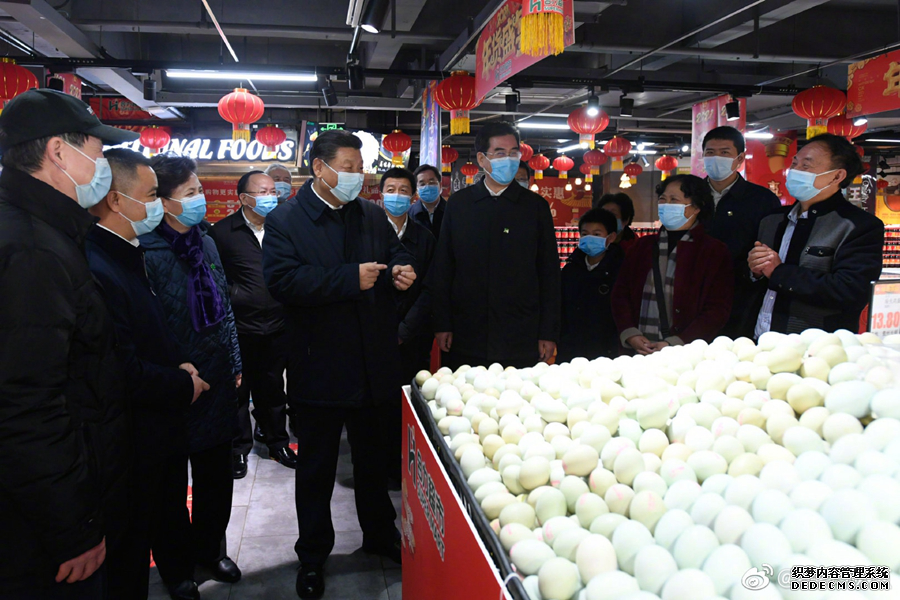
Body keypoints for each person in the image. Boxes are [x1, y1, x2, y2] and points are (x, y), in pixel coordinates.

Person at [262, 131, 417, 599]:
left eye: (360, 165)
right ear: (320, 168)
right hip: (319, 365)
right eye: (348, 165)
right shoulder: (288, 219)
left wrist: (401, 269)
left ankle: (379, 533)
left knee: (373, 461)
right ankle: (312, 554)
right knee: (317, 469)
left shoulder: (370, 214)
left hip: (373, 363)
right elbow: (283, 281)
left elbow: (395, 256)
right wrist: (348, 278)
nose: (357, 175)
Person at [0, 88, 135, 599]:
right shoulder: (32, 249)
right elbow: (26, 405)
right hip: (41, 529)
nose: (102, 166)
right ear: (59, 151)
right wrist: (72, 525)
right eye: (97, 153)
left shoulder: (44, 229)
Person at [85, 148, 210, 599]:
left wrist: (179, 363)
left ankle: (180, 571)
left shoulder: (127, 252)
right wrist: (182, 383)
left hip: (161, 423)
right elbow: (121, 367)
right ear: (116, 200)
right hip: (132, 434)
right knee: (131, 540)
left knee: (168, 509)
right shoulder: (96, 265)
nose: (157, 205)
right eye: (153, 194)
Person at [140, 154, 242, 597]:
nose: (200, 199)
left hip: (217, 377)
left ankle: (209, 550)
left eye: (200, 190)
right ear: (161, 202)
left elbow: (224, 308)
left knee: (216, 477)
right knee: (169, 486)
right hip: (173, 384)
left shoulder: (207, 241)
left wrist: (235, 361)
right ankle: (177, 568)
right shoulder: (143, 250)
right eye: (190, 194)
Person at [431, 121, 561, 370]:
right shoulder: (460, 205)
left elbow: (549, 274)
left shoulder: (535, 207)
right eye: (500, 153)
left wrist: (548, 331)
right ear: (482, 158)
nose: (509, 159)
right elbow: (444, 267)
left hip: (520, 333)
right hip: (466, 332)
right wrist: (442, 323)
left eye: (514, 152)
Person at [750, 133, 884, 336]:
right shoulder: (772, 220)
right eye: (794, 164)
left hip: (816, 346)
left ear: (837, 176)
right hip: (759, 336)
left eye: (806, 166)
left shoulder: (858, 226)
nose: (794, 171)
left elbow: (851, 291)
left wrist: (780, 272)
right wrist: (755, 271)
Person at [208, 171, 296, 476]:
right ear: (244, 198)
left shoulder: (284, 229)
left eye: (273, 190)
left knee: (273, 389)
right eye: (263, 192)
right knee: (238, 392)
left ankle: (277, 442)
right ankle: (238, 449)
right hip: (240, 327)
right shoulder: (221, 232)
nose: (271, 196)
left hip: (278, 325)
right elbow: (213, 280)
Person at [612, 174, 734, 354]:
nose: (666, 204)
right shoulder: (642, 246)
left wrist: (679, 342)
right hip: (638, 349)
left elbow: (717, 309)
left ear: (696, 207)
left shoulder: (713, 251)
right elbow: (620, 293)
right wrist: (630, 333)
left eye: (674, 200)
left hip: (686, 353)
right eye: (663, 199)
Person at [380, 166, 435, 486]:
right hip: (377, 335)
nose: (397, 196)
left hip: (413, 337)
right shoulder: (368, 233)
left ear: (412, 196)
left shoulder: (424, 237)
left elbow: (430, 288)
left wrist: (405, 330)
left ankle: (410, 468)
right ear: (381, 193)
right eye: (391, 189)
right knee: (379, 408)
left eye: (403, 190)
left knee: (411, 402)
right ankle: (383, 469)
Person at [702, 126, 782, 339]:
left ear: (739, 159)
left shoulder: (762, 200)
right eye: (710, 152)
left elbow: (770, 247)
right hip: (689, 293)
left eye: (724, 152)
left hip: (740, 296)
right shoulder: (688, 194)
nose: (716, 157)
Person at [558, 208, 625, 362]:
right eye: (585, 234)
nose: (589, 238)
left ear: (611, 237)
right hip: (571, 350)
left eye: (596, 234)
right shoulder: (570, 269)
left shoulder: (621, 270)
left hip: (607, 351)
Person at [410, 163, 446, 237]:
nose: (427, 187)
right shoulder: (409, 214)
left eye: (432, 182)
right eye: (422, 184)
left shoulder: (452, 211)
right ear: (416, 189)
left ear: (440, 185)